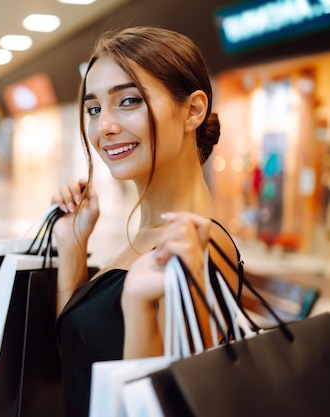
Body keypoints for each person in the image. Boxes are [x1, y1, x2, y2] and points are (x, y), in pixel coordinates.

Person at [52, 26, 242, 417]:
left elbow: (164, 408)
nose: (104, 126)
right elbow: (81, 361)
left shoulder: (196, 247)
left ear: (192, 110)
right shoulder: (152, 233)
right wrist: (73, 247)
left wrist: (139, 307)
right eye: (93, 108)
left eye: (128, 101)